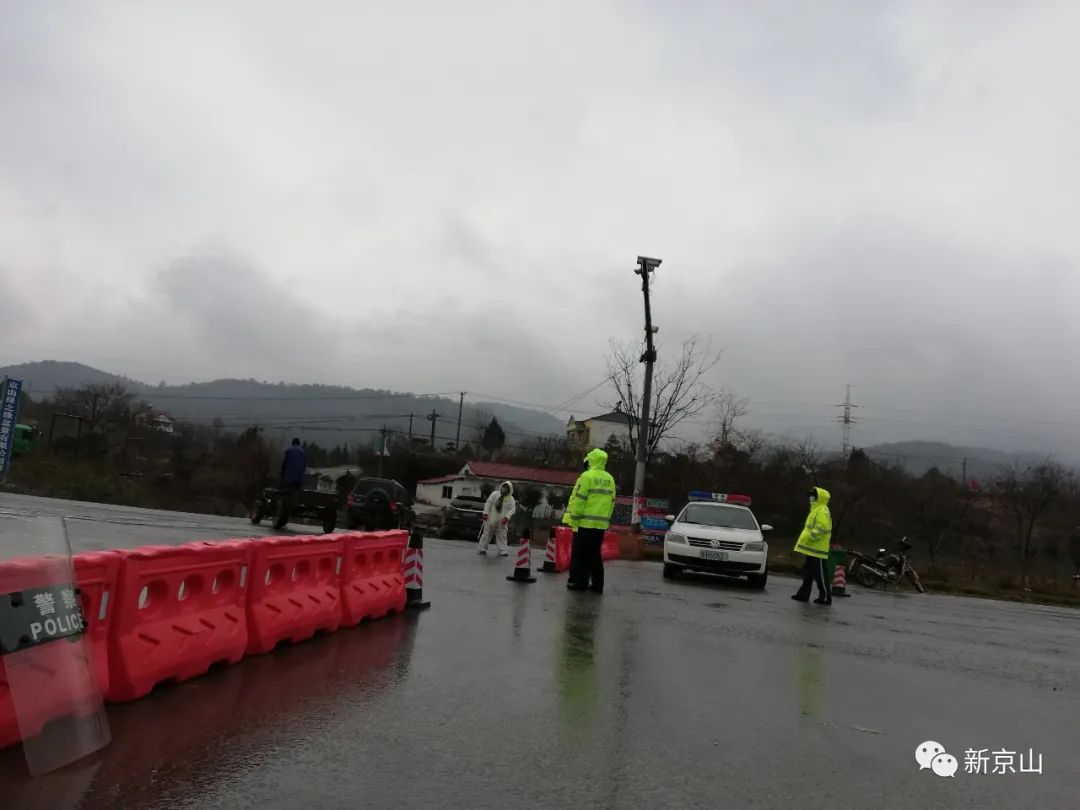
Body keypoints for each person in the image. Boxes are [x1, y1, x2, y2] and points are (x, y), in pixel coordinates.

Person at [566, 448, 616, 593]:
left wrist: (574, 518)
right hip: (600, 525)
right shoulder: (610, 479)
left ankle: (580, 583)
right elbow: (612, 502)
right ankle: (597, 585)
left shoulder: (586, 476)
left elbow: (580, 500)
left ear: (591, 461)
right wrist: (606, 520)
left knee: (581, 554)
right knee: (595, 555)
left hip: (584, 523)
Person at [791, 486, 833, 605]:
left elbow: (822, 527)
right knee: (808, 573)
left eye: (813, 496)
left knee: (821, 575)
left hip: (817, 549)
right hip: (812, 548)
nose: (810, 498)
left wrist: (811, 537)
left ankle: (825, 597)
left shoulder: (822, 510)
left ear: (818, 497)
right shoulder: (815, 509)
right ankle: (803, 595)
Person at [477, 481, 516, 556]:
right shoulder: (495, 494)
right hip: (491, 517)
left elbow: (512, 509)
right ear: (501, 487)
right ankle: (482, 548)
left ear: (509, 490)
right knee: (487, 534)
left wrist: (507, 517)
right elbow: (488, 503)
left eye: (506, 488)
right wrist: (485, 513)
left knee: (502, 535)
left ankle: (503, 551)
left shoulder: (511, 499)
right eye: (504, 487)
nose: (504, 489)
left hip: (502, 519)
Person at [279, 438, 307, 522]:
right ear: (299, 444)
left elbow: (284, 464)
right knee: (296, 491)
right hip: (298, 480)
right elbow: (304, 466)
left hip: (288, 479)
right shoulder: (303, 452)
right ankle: (295, 502)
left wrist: (282, 470)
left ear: (293, 443)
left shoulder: (289, 451)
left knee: (283, 491)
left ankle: (282, 506)